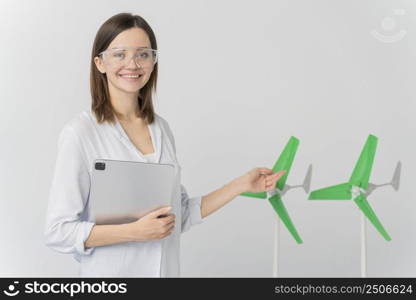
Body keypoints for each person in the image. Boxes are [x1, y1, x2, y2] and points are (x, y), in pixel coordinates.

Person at [44, 12, 285, 277]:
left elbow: (179, 215)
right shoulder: (81, 133)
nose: (133, 64)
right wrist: (133, 232)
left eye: (143, 54)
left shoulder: (160, 129)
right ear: (100, 63)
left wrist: (241, 185)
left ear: (153, 61)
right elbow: (59, 231)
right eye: (120, 54)